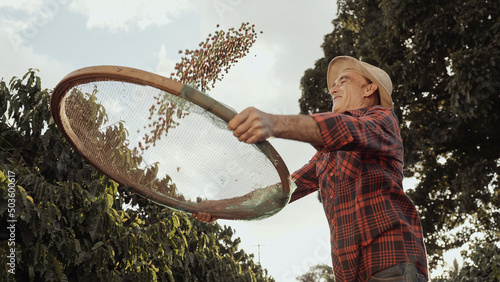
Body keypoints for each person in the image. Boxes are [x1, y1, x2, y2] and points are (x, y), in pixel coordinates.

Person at [193, 56, 428, 281]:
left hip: (392, 262)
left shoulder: (383, 120)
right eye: (333, 85)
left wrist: (273, 123)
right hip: (350, 272)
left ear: (369, 89)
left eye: (343, 81)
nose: (333, 89)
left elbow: (346, 129)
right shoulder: (325, 158)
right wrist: (219, 208)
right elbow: (280, 192)